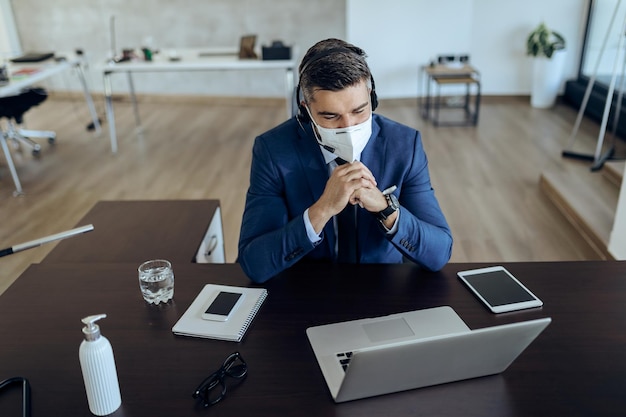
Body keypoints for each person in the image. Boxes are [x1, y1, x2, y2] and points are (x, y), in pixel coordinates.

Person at [238, 38, 452, 283]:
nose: (349, 127)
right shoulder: (273, 150)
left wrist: (386, 208)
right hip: (307, 288)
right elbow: (255, 263)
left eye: (359, 111)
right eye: (330, 116)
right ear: (305, 109)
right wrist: (322, 209)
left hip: (383, 287)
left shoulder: (404, 145)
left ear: (371, 98)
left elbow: (439, 254)